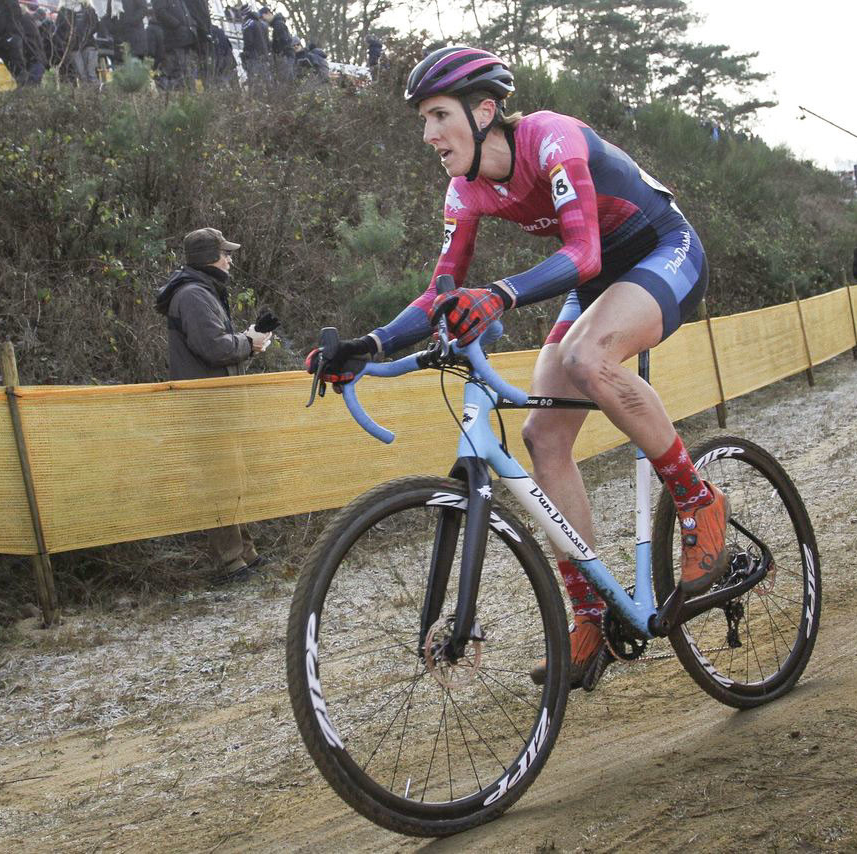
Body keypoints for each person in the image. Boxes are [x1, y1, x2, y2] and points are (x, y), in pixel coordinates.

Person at [305, 46, 731, 691]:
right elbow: (439, 292)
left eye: (439, 115)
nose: (429, 135)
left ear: (485, 111)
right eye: (423, 120)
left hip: (662, 252)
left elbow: (584, 250)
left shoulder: (550, 139)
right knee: (542, 436)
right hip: (593, 282)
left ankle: (700, 500)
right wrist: (370, 343)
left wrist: (499, 294)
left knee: (588, 358)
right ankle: (592, 613)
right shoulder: (464, 190)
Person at [155, 228, 273, 583]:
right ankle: (232, 562)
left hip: (218, 403)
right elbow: (215, 348)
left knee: (232, 478)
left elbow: (219, 351)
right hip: (208, 407)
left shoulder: (202, 291)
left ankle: (246, 553)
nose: (230, 260)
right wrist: (246, 342)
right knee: (220, 481)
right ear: (210, 258)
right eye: (225, 254)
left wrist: (249, 345)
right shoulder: (193, 295)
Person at [239, 4, 269, 79]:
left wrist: (245, 54)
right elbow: (267, 41)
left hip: (254, 57)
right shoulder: (262, 23)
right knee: (267, 81)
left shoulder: (247, 24)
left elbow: (248, 42)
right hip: (264, 56)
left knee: (256, 81)